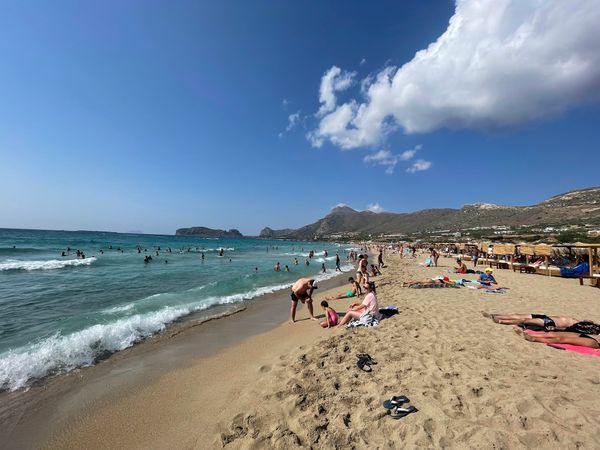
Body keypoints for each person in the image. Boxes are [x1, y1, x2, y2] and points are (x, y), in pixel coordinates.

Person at [482, 312, 600, 334]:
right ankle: (495, 315)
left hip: (550, 322)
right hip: (547, 317)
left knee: (525, 320)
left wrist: (557, 329)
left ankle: (501, 321)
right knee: (519, 314)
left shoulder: (579, 326)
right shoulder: (582, 322)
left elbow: (568, 330)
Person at [513, 327, 600, 349]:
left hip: (595, 342)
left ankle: (534, 339)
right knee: (553, 333)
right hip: (590, 336)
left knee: (563, 340)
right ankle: (527, 333)